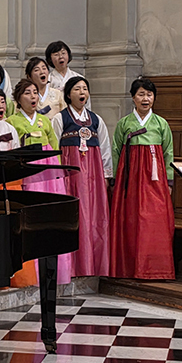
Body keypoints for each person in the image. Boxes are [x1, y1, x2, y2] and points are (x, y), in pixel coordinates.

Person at [7, 78, 71, 287]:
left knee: (50, 218)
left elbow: (54, 145)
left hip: (49, 171)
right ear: (18, 98)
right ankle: (31, 271)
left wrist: (59, 173)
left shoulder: (45, 121)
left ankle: (55, 269)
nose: (33, 96)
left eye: (35, 92)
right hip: (29, 170)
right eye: (27, 93)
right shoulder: (12, 122)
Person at [110, 77, 175, 280]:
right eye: (141, 94)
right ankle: (129, 267)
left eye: (149, 94)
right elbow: (115, 151)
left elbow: (168, 153)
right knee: (130, 220)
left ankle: (155, 268)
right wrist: (114, 179)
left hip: (154, 178)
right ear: (133, 98)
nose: (145, 98)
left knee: (154, 220)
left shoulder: (161, 124)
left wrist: (170, 181)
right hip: (130, 176)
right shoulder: (124, 124)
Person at [51, 77, 112, 277]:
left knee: (95, 217)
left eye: (85, 88)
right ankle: (74, 266)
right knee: (76, 215)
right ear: (68, 94)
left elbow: (104, 149)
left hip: (93, 175)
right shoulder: (61, 119)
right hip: (71, 175)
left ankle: (94, 265)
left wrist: (106, 175)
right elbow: (54, 148)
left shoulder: (96, 120)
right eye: (77, 89)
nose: (82, 92)